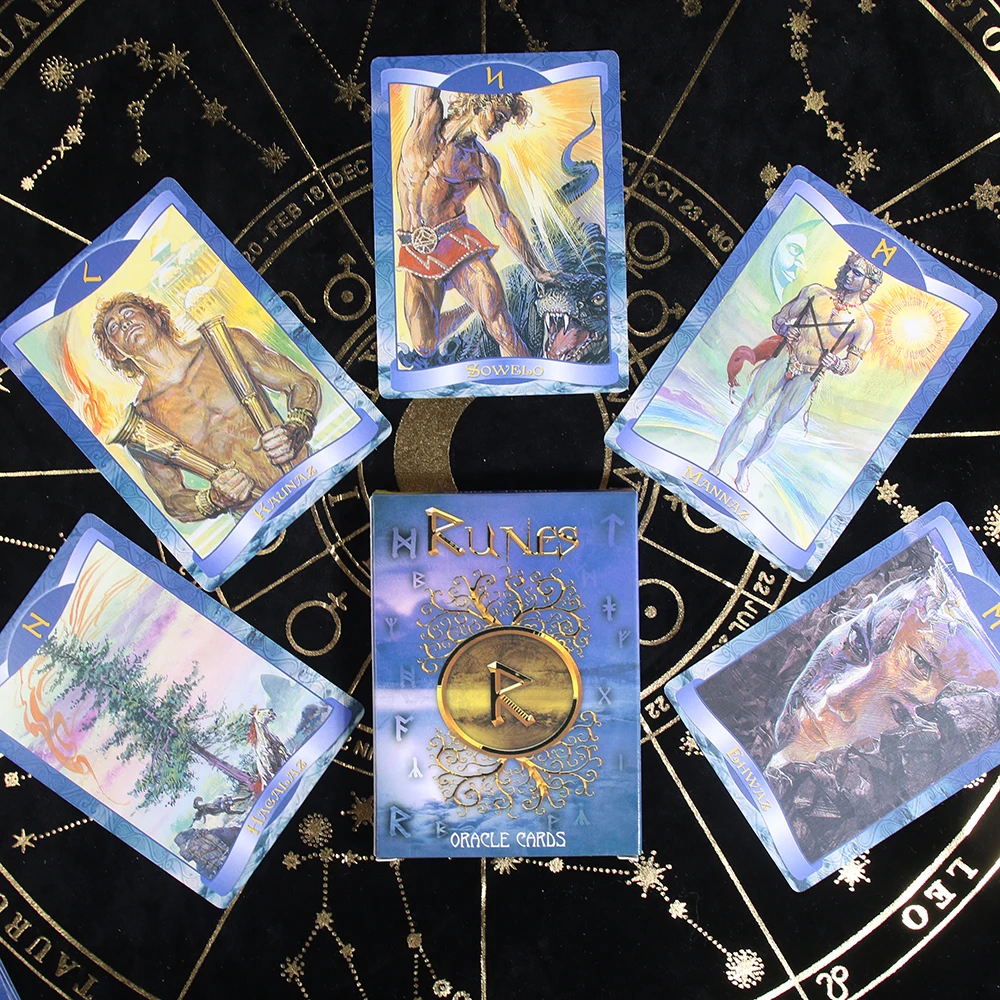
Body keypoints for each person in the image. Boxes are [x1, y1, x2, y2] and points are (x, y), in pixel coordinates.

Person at [93, 292, 321, 521]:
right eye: (113, 327)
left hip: (311, 474)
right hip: (259, 517)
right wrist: (213, 499)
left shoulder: (226, 345)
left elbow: (301, 382)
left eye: (128, 313)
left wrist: (297, 428)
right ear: (116, 353)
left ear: (156, 317)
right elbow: (172, 499)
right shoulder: (143, 421)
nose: (124, 324)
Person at [395, 88, 556, 360]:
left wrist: (537, 270)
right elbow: (426, 78)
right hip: (416, 250)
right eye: (499, 116)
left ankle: (529, 376)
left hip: (456, 243)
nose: (499, 127)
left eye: (504, 121)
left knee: (501, 325)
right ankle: (471, 307)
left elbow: (504, 218)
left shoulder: (482, 163)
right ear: (479, 103)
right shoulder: (427, 122)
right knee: (425, 344)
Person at [708, 251, 882, 493]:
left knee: (774, 426)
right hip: (784, 356)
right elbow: (779, 319)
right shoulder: (816, 292)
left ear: (869, 283)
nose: (849, 275)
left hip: (809, 375)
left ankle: (745, 465)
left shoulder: (864, 324)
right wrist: (785, 328)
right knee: (748, 409)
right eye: (849, 268)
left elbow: (851, 364)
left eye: (857, 273)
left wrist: (836, 363)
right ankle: (717, 464)